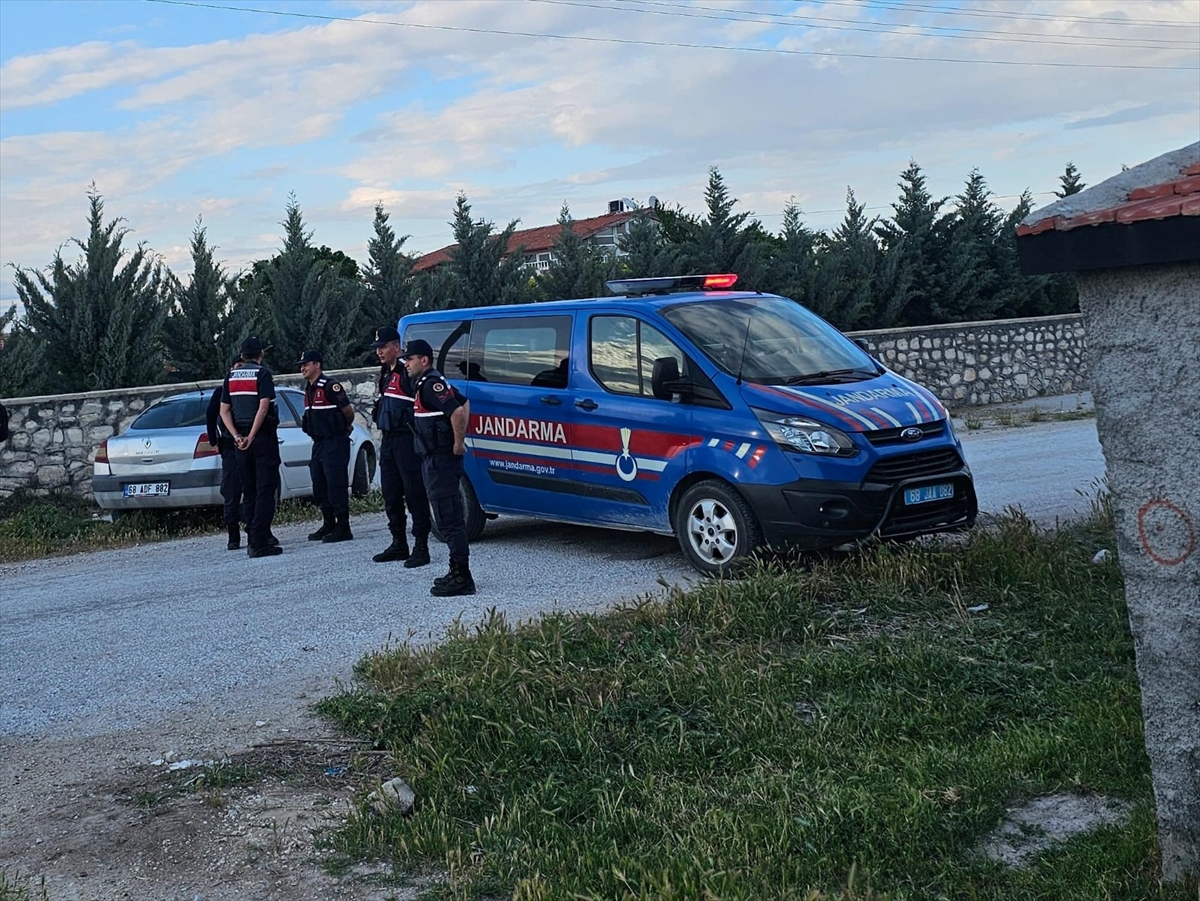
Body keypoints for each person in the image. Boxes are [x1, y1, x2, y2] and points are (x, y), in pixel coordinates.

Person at [401, 338, 475, 596]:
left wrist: (458, 443)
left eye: (409, 359)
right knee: (445, 516)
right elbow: (464, 402)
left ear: (424, 360)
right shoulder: (426, 383)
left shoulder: (432, 383)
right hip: (432, 458)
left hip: (441, 459)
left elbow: (458, 412)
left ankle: (462, 576)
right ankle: (456, 570)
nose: (406, 364)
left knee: (449, 518)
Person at [369, 326, 432, 566]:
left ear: (397, 347)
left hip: (407, 440)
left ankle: (421, 546)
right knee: (391, 493)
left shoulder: (409, 372)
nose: (380, 352)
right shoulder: (385, 372)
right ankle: (398, 543)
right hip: (389, 440)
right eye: (378, 348)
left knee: (415, 493)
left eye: (383, 347)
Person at [220, 336, 282, 558]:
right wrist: (252, 436)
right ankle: (259, 541)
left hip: (240, 443)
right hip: (261, 439)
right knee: (266, 489)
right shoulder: (262, 374)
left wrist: (238, 436)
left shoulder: (231, 376)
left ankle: (251, 539)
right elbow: (263, 408)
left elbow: (224, 411)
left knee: (250, 491)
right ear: (260, 354)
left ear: (242, 354)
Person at [299, 348, 355, 543]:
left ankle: (343, 526)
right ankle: (328, 522)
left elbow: (348, 411)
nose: (303, 368)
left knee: (335, 484)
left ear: (317, 365)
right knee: (320, 484)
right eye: (302, 365)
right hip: (319, 443)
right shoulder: (308, 389)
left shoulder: (330, 386)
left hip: (335, 441)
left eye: (306, 364)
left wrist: (345, 428)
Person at [206, 356, 251, 550]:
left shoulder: (252, 389)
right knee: (231, 492)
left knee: (253, 491)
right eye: (237, 367)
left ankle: (255, 531)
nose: (240, 370)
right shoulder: (222, 391)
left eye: (243, 367)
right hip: (230, 447)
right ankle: (233, 535)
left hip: (250, 445)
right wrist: (214, 441)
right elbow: (210, 415)